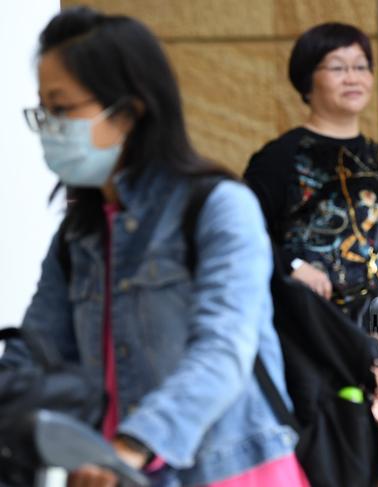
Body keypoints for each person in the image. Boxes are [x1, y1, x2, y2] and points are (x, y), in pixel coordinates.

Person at [1, 7, 308, 486]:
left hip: (229, 470)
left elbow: (223, 348)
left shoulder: (220, 206)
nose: (49, 127)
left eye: (62, 109)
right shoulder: (78, 233)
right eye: (42, 110)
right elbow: (39, 353)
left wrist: (133, 446)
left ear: (128, 111)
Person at [244, 23, 378, 351]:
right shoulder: (281, 157)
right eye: (338, 67)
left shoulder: (377, 156)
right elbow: (244, 233)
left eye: (361, 67)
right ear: (308, 78)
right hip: (312, 332)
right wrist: (292, 265)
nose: (353, 77)